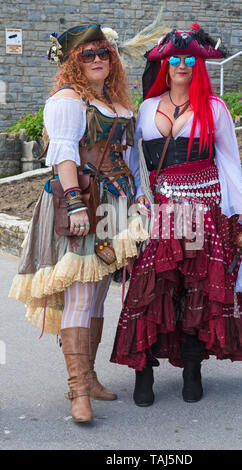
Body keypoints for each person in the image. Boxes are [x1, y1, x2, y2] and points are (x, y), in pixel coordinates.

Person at [110, 24, 242, 406]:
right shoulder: (146, 108)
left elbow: (229, 161)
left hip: (206, 208)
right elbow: (134, 164)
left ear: (198, 65)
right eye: (175, 59)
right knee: (149, 290)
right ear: (165, 64)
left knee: (197, 290)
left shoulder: (215, 108)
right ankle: (141, 374)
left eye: (189, 59)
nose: (181, 64)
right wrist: (135, 200)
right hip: (162, 211)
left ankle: (192, 374)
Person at [8, 23, 152, 422]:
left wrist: (139, 197)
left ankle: (88, 377)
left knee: (100, 294)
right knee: (81, 296)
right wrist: (74, 205)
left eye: (103, 53)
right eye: (86, 55)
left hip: (117, 206)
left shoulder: (117, 102)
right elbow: (65, 155)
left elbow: (129, 156)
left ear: (112, 57)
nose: (97, 60)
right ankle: (77, 392)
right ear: (72, 61)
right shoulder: (68, 101)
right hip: (84, 202)